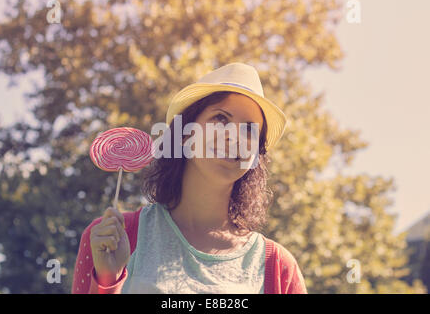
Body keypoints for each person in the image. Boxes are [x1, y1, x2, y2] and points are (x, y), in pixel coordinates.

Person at [71, 62, 307, 294]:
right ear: (185, 134)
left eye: (249, 129)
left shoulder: (278, 267)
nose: (233, 136)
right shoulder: (114, 237)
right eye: (221, 118)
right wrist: (107, 281)